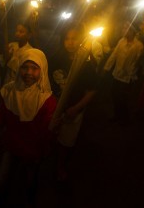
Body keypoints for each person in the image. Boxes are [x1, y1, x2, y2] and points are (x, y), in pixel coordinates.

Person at [0, 48, 57, 207]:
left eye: (34, 68)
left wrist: (46, 145)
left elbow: (47, 131)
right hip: (11, 146)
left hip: (33, 151)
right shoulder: (11, 91)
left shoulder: (46, 100)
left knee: (29, 183)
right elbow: (3, 113)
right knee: (3, 181)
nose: (28, 72)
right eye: (24, 67)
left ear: (42, 70)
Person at [49, 25, 98, 181]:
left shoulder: (87, 63)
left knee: (66, 142)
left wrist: (76, 108)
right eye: (67, 39)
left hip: (73, 111)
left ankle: (60, 166)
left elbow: (92, 91)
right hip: (54, 107)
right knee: (51, 137)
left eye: (74, 39)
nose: (70, 42)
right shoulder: (56, 58)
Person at [103, 24, 144, 125]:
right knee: (114, 95)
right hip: (117, 74)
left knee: (122, 98)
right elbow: (114, 55)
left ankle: (124, 117)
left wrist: (134, 70)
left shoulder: (139, 46)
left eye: (126, 29)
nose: (123, 30)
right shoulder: (121, 41)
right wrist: (106, 67)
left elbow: (139, 62)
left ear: (132, 32)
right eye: (124, 28)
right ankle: (118, 115)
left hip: (127, 77)